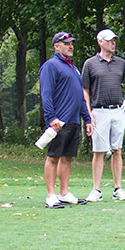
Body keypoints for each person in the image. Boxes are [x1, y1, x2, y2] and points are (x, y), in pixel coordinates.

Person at [81, 28, 125, 202]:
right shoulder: (90, 64)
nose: (113, 43)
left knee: (117, 149)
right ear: (100, 42)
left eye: (114, 40)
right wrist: (88, 114)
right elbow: (85, 90)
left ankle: (118, 188)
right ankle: (96, 190)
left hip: (118, 110)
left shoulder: (120, 63)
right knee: (99, 150)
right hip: (99, 111)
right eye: (110, 40)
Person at [39, 32, 93, 209]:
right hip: (58, 121)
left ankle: (64, 193)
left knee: (68, 157)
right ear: (56, 46)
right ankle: (51, 195)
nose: (70, 46)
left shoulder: (73, 68)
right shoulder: (51, 66)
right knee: (53, 156)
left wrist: (87, 118)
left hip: (73, 120)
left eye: (71, 43)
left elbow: (80, 96)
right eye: (66, 43)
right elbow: (46, 95)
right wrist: (51, 117)